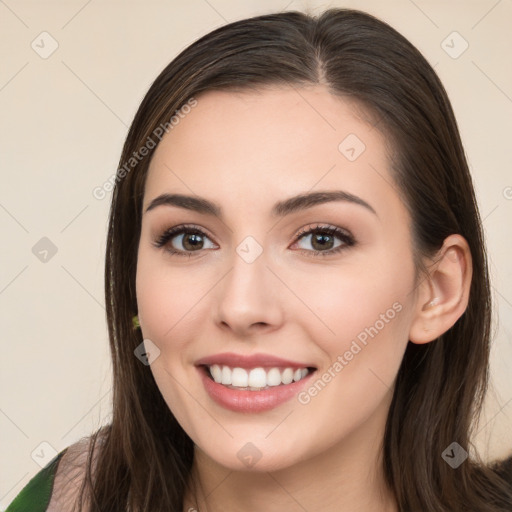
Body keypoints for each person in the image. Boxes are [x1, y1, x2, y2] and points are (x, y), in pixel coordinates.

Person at [6, 7, 512, 512]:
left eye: (320, 240)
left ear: (437, 290)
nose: (242, 306)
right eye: (189, 239)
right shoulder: (58, 499)